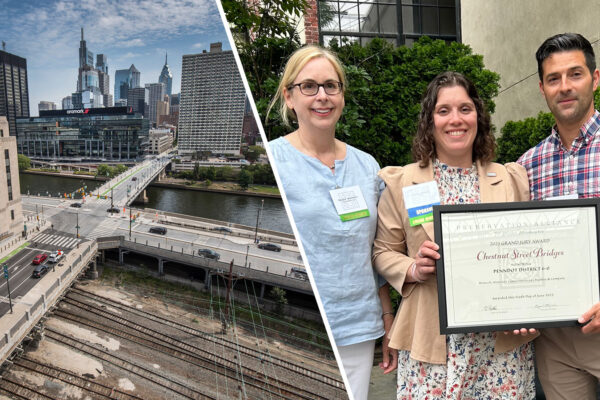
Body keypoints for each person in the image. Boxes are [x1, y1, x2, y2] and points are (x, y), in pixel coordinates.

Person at [373, 71, 537, 399]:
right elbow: (383, 251)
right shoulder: (402, 182)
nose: (455, 119)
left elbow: (529, 254)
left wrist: (530, 308)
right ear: (430, 121)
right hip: (431, 341)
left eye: (465, 108)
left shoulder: (508, 179)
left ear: (478, 116)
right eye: (444, 110)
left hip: (499, 349)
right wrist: (413, 269)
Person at [267, 45, 397, 400]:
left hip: (358, 325)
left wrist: (387, 318)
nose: (322, 96)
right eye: (309, 86)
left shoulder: (367, 166)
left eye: (331, 86)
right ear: (289, 97)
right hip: (300, 321)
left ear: (342, 94)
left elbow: (375, 249)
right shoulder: (276, 160)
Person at [518, 32, 600, 399]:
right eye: (554, 79)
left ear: (596, 78)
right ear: (542, 88)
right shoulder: (526, 166)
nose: (564, 87)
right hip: (557, 344)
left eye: (575, 74)